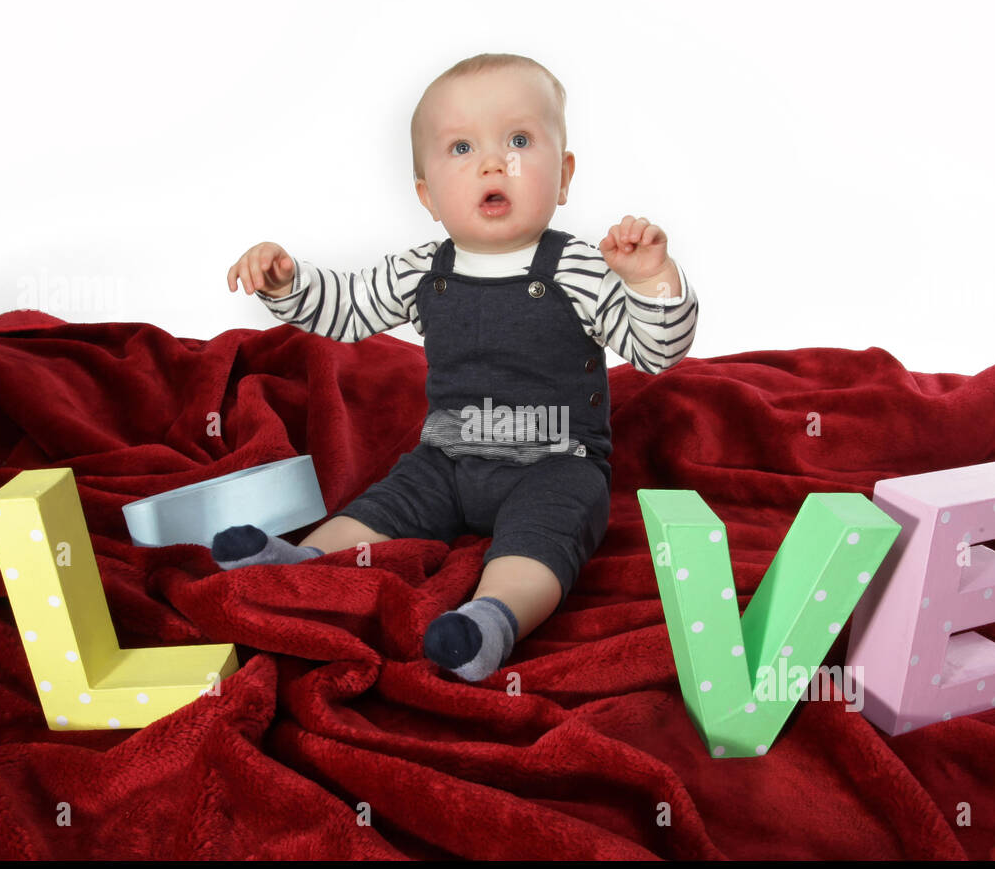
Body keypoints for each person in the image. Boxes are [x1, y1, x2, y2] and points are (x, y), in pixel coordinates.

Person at [221, 52, 698, 682]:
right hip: (447, 460)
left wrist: (652, 281)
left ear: (563, 176)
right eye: (461, 147)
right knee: (379, 508)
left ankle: (491, 618)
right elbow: (350, 308)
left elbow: (657, 351)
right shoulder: (422, 270)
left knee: (538, 544)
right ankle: (301, 563)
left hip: (554, 463)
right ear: (426, 194)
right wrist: (285, 282)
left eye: (520, 141)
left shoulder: (582, 268)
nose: (493, 162)